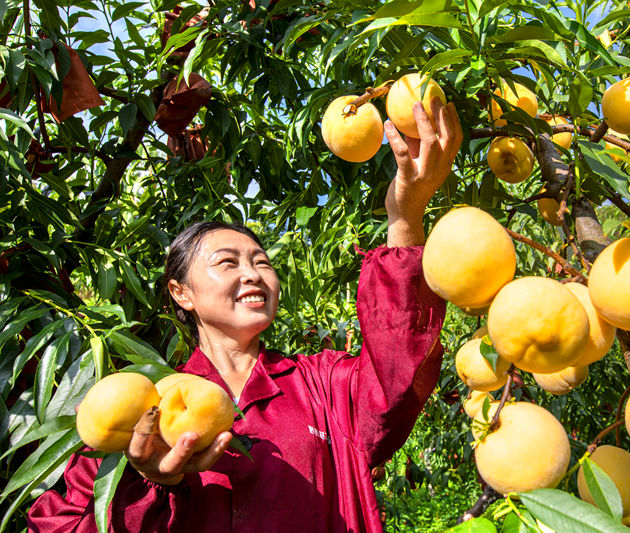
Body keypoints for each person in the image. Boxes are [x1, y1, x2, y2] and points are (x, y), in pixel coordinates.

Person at [27, 98, 463, 532]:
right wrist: (147, 483)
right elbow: (59, 524)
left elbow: (397, 374)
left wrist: (404, 216)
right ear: (181, 293)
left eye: (262, 262)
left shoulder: (324, 385)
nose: (253, 275)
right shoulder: (141, 407)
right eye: (227, 263)